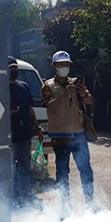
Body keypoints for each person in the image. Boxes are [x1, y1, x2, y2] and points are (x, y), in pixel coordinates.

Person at [41, 51, 95, 207]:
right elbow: (50, 107)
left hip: (78, 134)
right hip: (60, 136)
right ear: (54, 66)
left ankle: (89, 201)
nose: (64, 67)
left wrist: (83, 93)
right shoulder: (48, 86)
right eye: (61, 64)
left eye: (66, 64)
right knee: (62, 172)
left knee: (85, 170)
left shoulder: (76, 83)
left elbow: (91, 101)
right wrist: (65, 94)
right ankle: (65, 204)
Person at [8, 57, 43, 207]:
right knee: (10, 169)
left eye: (15, 68)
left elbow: (30, 109)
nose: (14, 71)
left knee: (24, 168)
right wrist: (10, 113)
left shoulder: (24, 86)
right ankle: (13, 197)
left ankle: (25, 196)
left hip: (25, 134)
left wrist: (37, 127)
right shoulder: (0, 88)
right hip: (10, 136)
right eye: (11, 69)